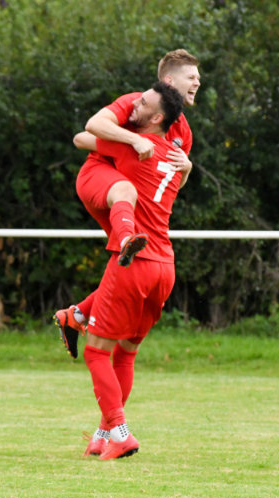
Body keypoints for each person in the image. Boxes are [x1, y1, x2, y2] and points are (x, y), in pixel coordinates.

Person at [54, 49, 200, 359]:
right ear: (169, 80)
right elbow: (89, 128)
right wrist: (133, 140)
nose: (197, 82)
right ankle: (124, 244)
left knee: (136, 266)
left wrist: (187, 170)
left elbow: (169, 185)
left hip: (131, 202)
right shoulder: (138, 102)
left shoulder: (183, 131)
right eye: (191, 77)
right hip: (102, 177)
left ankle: (76, 315)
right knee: (125, 192)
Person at [71, 81, 185, 459]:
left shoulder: (133, 146)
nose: (134, 103)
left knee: (96, 352)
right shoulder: (175, 157)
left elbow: (83, 137)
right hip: (165, 266)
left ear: (156, 118)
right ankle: (103, 435)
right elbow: (179, 175)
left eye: (143, 102)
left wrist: (128, 138)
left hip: (135, 262)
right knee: (126, 354)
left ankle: (120, 432)